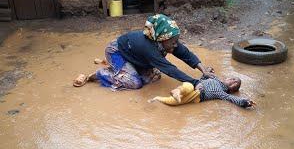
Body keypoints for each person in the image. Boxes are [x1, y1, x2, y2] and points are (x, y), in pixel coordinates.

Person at [73, 14, 214, 90]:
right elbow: (170, 69)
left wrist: (204, 70)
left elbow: (185, 53)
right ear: (161, 38)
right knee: (135, 83)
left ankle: (117, 70)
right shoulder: (149, 47)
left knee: (154, 77)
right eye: (173, 41)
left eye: (176, 40)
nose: (175, 44)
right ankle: (100, 74)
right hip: (116, 52)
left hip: (133, 55)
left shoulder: (165, 41)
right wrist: (195, 82)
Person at [149, 75, 256, 108]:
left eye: (235, 84)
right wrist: (206, 74)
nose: (233, 81)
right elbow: (202, 78)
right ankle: (176, 91)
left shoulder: (222, 93)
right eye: (233, 79)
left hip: (197, 96)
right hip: (194, 86)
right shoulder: (215, 78)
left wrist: (244, 102)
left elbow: (232, 98)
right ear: (226, 78)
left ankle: (156, 99)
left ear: (232, 89)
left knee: (171, 101)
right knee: (188, 85)